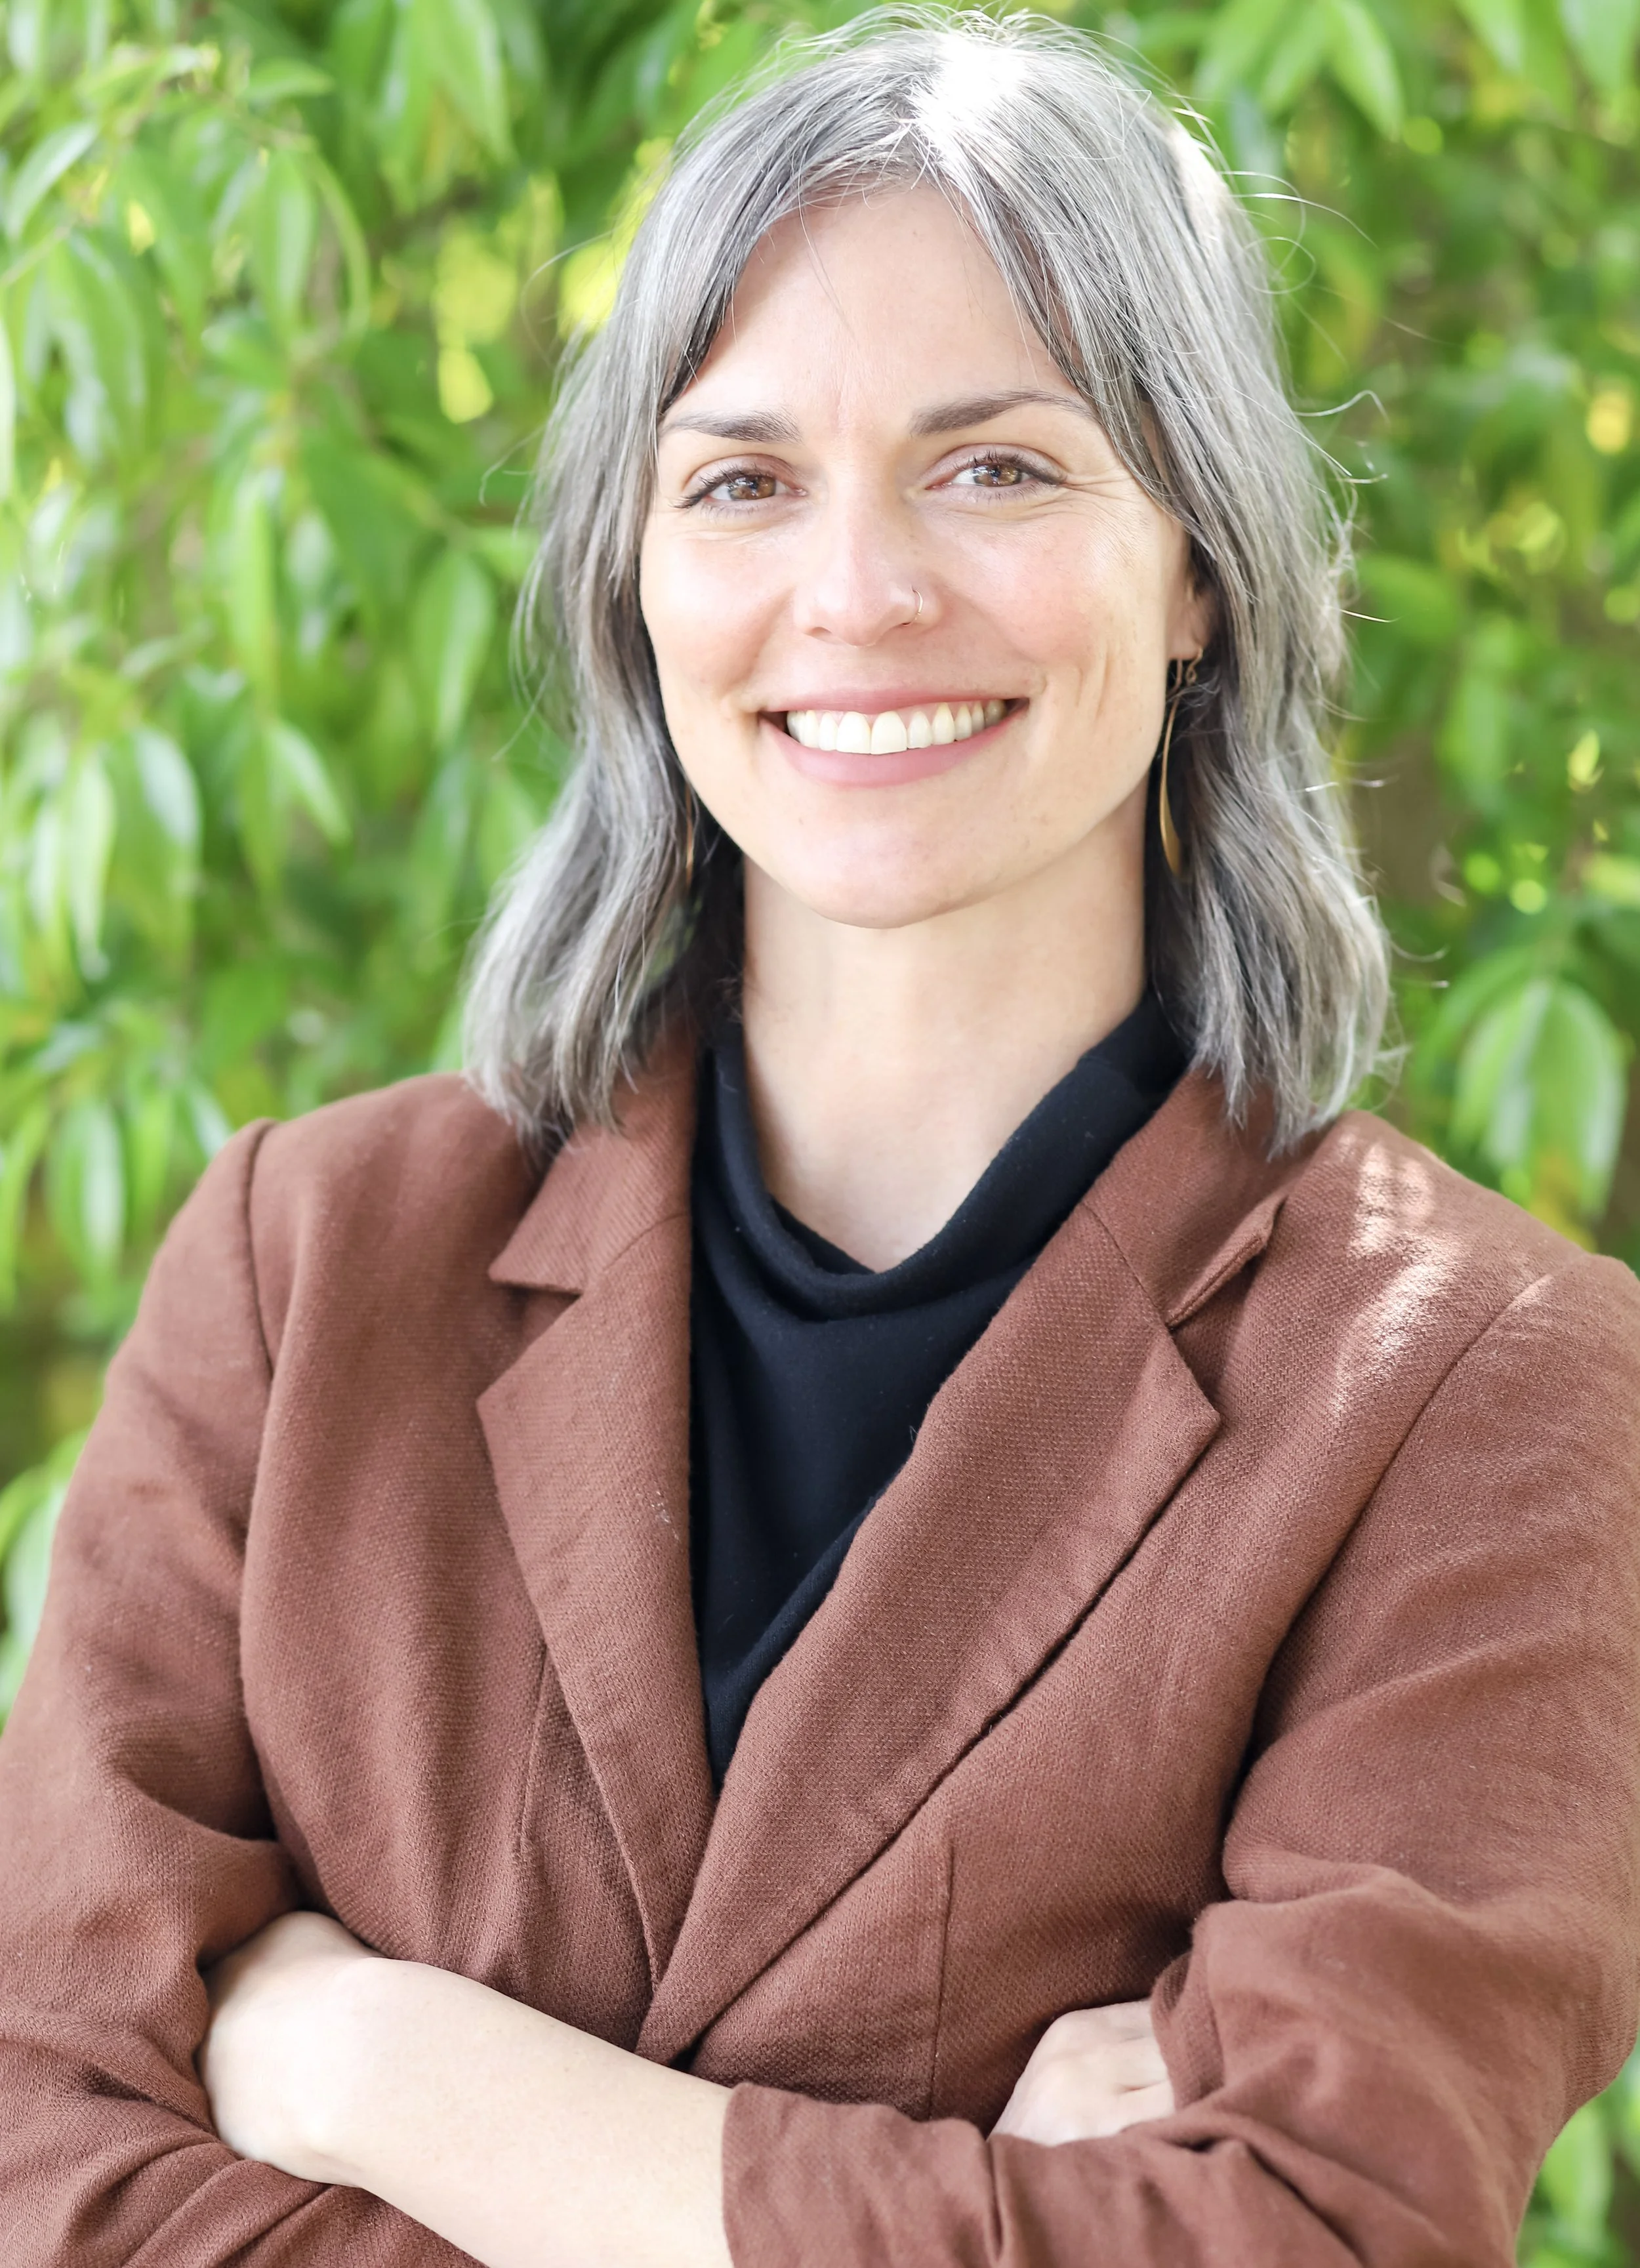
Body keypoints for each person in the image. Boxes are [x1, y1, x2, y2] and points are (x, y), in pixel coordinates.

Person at [1, 13, 1637, 2267]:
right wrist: (1004, 2208)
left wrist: (380, 2068)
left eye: (998, 468)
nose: (855, 592)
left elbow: (1299, 2243)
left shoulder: (1493, 1389)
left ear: (1200, 572)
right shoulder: (307, 1261)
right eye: (742, 480)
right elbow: (41, 2157)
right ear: (634, 582)